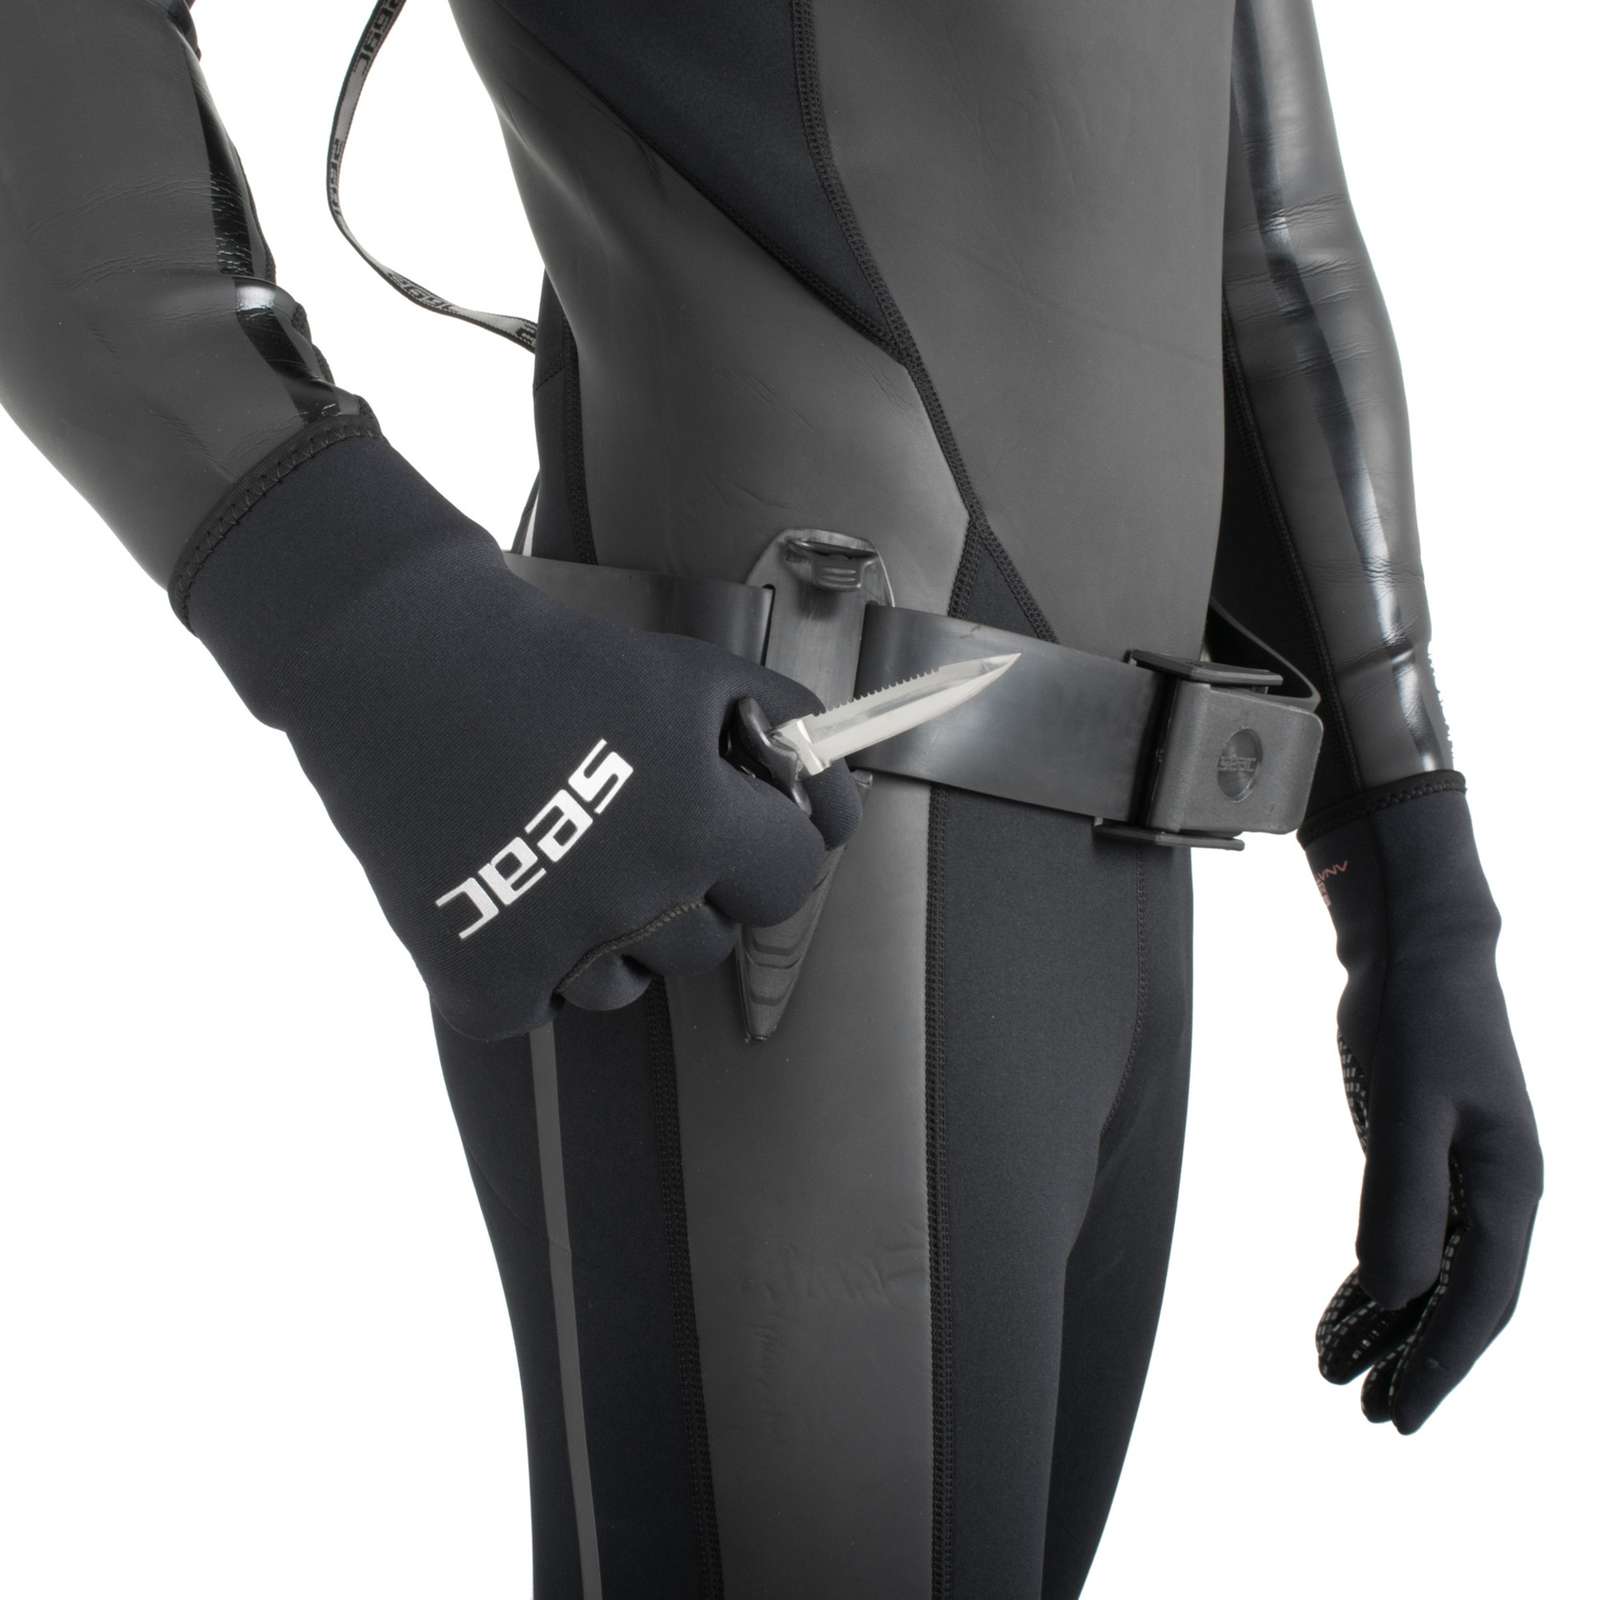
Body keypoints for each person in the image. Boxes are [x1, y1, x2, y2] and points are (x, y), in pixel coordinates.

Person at [0, 2, 1543, 1595]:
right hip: (764, 855)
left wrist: (1414, 877)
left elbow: (1270, 243)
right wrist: (368, 616)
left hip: (1097, 903)